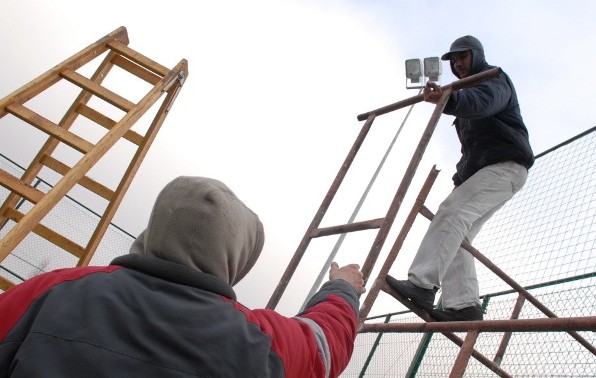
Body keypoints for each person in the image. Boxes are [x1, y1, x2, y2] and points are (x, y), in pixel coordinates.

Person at [0, 176, 365, 377]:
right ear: (238, 256)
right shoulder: (260, 343)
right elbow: (324, 344)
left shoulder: (52, 291)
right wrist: (343, 288)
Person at [386, 35, 534, 322]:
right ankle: (464, 305)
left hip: (506, 165)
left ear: (476, 55)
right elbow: (471, 149)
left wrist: (449, 97)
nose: (457, 63)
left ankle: (421, 284)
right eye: (453, 60)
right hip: (490, 170)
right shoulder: (466, 95)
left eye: (462, 57)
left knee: (452, 213)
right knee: (458, 233)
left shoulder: (493, 80)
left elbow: (481, 102)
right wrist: (460, 178)